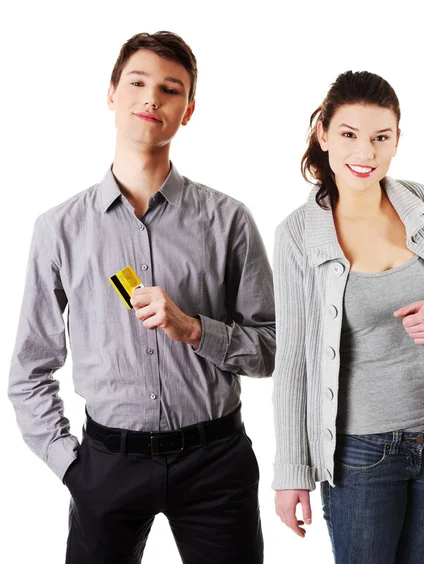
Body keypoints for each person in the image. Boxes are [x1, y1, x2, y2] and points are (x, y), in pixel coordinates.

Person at [8, 31, 275, 564]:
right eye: (137, 82)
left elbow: (271, 348)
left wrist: (195, 329)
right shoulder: (58, 229)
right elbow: (29, 371)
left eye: (170, 89)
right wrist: (72, 467)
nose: (151, 98)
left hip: (216, 465)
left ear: (188, 111)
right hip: (107, 465)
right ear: (112, 94)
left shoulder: (229, 221)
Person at [272, 70, 424, 564]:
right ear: (323, 134)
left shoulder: (420, 204)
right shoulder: (299, 235)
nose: (364, 154)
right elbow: (296, 363)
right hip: (360, 454)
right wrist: (291, 475)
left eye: (379, 138)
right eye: (348, 135)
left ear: (396, 143)